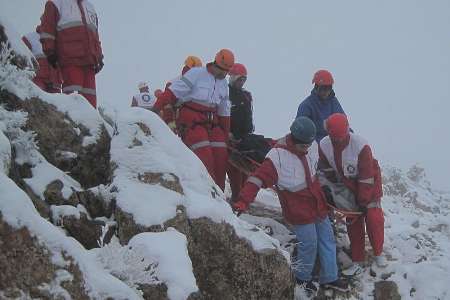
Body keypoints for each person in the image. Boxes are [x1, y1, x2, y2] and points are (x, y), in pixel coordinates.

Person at [232, 117, 349, 295]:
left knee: (327, 238)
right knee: (309, 243)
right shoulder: (277, 156)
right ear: (294, 139)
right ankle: (302, 278)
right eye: (303, 146)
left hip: (317, 202)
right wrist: (243, 201)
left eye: (309, 145)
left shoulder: (312, 145)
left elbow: (319, 166)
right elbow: (257, 179)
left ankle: (330, 278)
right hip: (297, 207)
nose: (307, 149)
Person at [152, 49, 234, 191]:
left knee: (221, 157)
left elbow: (224, 110)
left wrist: (225, 135)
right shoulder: (196, 74)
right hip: (192, 120)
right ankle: (207, 193)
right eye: (222, 70)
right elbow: (173, 92)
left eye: (226, 71)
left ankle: (219, 195)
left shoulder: (223, 84)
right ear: (215, 64)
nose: (223, 74)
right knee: (205, 157)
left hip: (212, 122)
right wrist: (155, 109)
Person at [318, 113, 385, 275]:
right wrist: (331, 188)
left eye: (341, 138)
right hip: (347, 184)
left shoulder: (361, 146)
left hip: (369, 184)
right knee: (353, 221)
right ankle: (357, 259)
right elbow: (326, 168)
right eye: (335, 138)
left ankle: (378, 253)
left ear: (348, 130)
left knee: (373, 218)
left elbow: (366, 177)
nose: (338, 141)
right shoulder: (324, 144)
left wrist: (363, 201)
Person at [39, 0, 103, 108]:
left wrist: (99, 56)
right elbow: (47, 28)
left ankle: (89, 123)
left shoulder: (90, 7)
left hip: (90, 62)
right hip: (69, 58)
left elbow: (95, 35)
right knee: (72, 96)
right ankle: (71, 122)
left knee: (90, 99)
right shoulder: (56, 3)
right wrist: (50, 51)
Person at [227, 63, 254, 202]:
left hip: (244, 138)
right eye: (239, 79)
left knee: (246, 171)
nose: (241, 82)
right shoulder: (224, 93)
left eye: (243, 79)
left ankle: (243, 198)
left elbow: (249, 117)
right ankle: (237, 197)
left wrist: (248, 133)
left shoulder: (246, 96)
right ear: (232, 77)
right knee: (234, 171)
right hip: (230, 139)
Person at [296, 70, 347, 142]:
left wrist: (350, 135)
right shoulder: (306, 106)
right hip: (313, 146)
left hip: (333, 142)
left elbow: (343, 121)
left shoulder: (333, 102)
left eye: (328, 88)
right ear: (316, 87)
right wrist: (323, 126)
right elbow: (300, 128)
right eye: (323, 88)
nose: (326, 92)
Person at [160, 55, 203, 131]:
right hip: (179, 122)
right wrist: (170, 121)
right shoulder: (173, 83)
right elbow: (167, 104)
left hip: (196, 122)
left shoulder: (199, 84)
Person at [22, 26, 62, 93]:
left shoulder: (59, 40)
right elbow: (22, 58)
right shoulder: (29, 38)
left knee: (56, 102)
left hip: (55, 83)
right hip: (37, 79)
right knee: (37, 97)